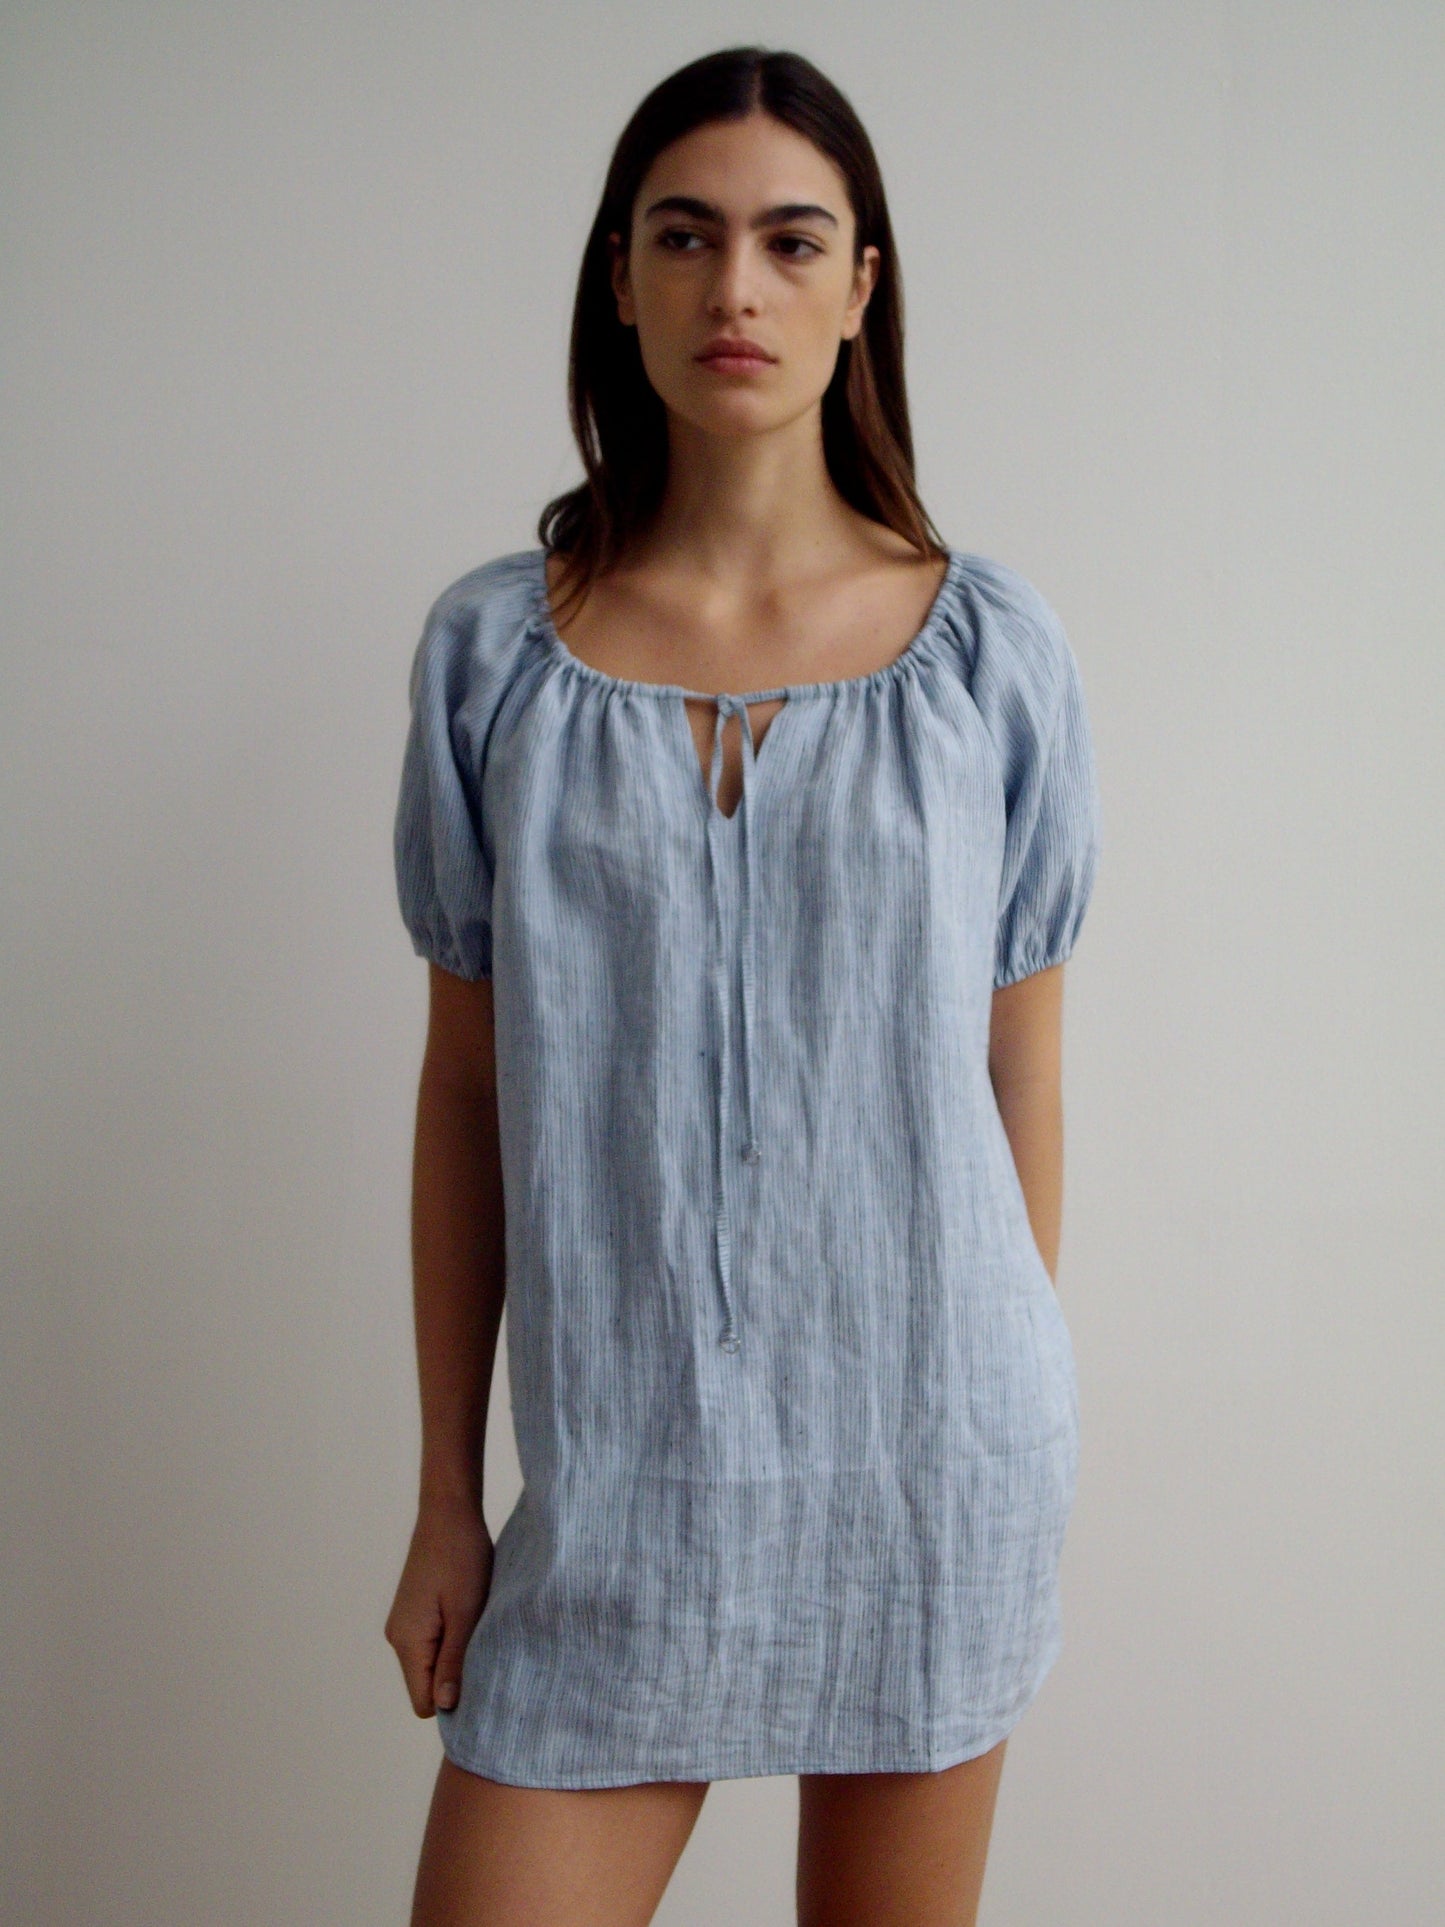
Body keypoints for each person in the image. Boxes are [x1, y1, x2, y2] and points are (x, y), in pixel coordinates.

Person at [385, 43, 1102, 1927]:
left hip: (931, 1467)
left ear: (862, 285)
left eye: (793, 242)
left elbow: (1018, 1068)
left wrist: (1007, 1415)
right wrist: (448, 1496)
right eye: (684, 239)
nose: (736, 291)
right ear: (618, 276)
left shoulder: (989, 662)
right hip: (621, 1480)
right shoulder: (493, 659)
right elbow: (467, 1093)